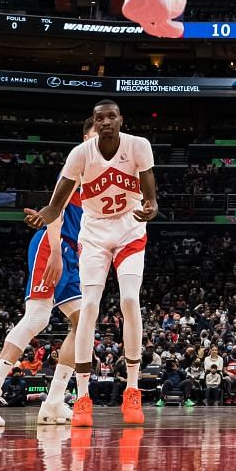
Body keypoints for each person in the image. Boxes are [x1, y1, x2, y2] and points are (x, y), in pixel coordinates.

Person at [30, 100, 157, 427]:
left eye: (111, 116)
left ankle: (132, 390)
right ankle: (83, 396)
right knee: (89, 308)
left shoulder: (138, 146)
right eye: (99, 118)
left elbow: (151, 193)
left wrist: (151, 207)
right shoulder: (80, 154)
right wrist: (46, 214)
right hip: (96, 234)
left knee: (130, 301)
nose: (105, 122)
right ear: (95, 123)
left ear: (120, 120)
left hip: (129, 229)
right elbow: (57, 202)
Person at [0, 120, 92, 427]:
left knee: (83, 324)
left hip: (74, 253)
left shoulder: (103, 178)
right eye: (95, 134)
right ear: (85, 137)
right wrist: (55, 252)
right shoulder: (76, 167)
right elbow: (55, 211)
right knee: (37, 318)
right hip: (53, 247)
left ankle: (53, 402)